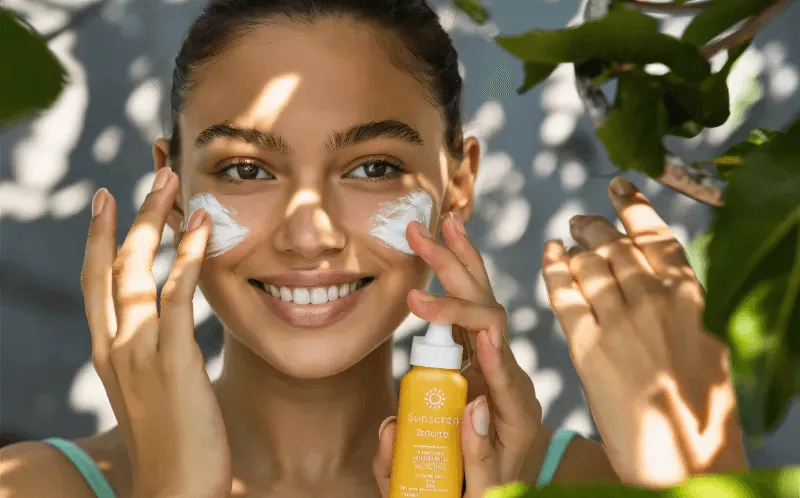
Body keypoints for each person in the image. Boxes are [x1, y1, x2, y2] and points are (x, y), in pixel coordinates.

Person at [0, 1, 749, 496]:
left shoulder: (606, 483)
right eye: (246, 169)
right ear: (171, 186)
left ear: (459, 184)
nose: (310, 232)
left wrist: (705, 469)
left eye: (374, 168)